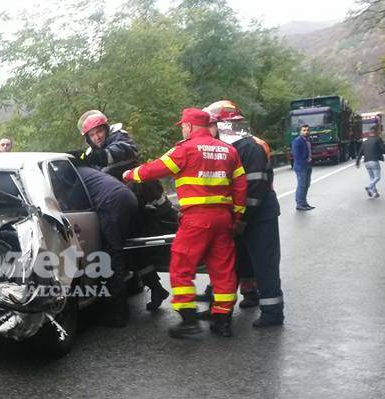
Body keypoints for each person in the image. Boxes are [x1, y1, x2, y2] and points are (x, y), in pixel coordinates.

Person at [123, 108, 247, 338]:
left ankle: (188, 321)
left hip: (196, 219)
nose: (182, 128)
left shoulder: (185, 149)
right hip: (223, 219)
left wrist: (130, 174)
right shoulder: (229, 151)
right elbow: (240, 187)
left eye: (183, 125)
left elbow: (155, 169)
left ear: (189, 126)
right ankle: (223, 321)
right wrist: (236, 216)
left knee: (181, 265)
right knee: (222, 270)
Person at [75, 110, 172, 311]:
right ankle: (156, 288)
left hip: (145, 201)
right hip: (124, 206)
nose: (97, 137)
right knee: (134, 252)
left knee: (165, 240)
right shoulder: (93, 152)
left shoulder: (121, 138)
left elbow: (119, 154)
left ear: (106, 129)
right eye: (92, 135)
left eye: (99, 132)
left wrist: (89, 156)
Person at [203, 100, 284, 327]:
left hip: (259, 215)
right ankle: (238, 301)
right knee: (239, 261)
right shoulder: (230, 148)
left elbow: (255, 188)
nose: (208, 130)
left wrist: (243, 219)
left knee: (265, 263)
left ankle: (273, 313)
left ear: (224, 124)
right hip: (241, 216)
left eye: (211, 125)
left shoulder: (248, 148)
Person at [73, 165, 140, 327]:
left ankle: (118, 314)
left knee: (112, 257)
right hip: (127, 197)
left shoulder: (74, 176)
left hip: (112, 203)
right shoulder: (90, 173)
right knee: (121, 252)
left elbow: (72, 202)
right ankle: (129, 299)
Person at [356, 125, 385, 198]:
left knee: (372, 178)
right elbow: (384, 149)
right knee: (377, 177)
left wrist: (357, 162)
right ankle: (369, 188)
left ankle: (374, 193)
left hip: (366, 162)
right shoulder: (378, 139)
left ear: (369, 133)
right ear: (375, 133)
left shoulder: (365, 142)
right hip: (374, 161)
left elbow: (360, 153)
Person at [291, 124, 314, 211]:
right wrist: (304, 162)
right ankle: (299, 204)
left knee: (307, 185)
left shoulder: (307, 140)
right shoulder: (297, 141)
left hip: (308, 165)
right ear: (300, 131)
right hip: (301, 166)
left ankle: (304, 203)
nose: (306, 132)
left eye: (307, 130)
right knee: (302, 185)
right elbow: (296, 154)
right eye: (304, 130)